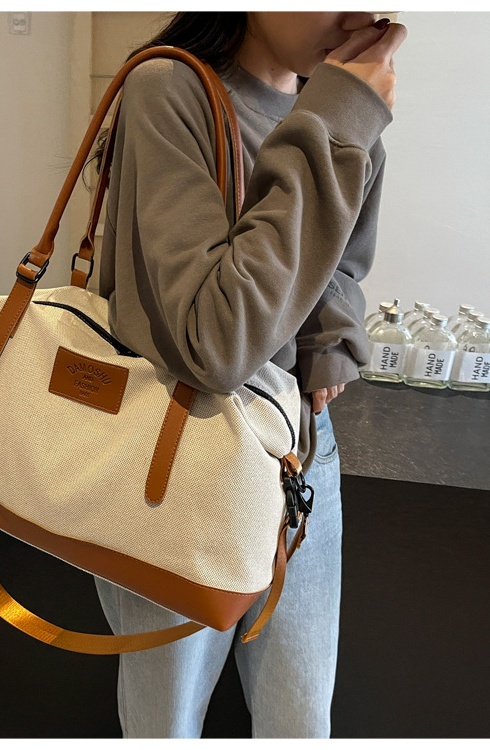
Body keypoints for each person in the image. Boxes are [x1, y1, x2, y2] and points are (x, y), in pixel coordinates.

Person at [88, 11, 407, 739]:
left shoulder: (334, 105)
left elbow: (341, 263)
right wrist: (340, 119)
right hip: (176, 451)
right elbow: (214, 343)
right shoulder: (170, 87)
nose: (359, 19)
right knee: (165, 718)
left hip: (300, 447)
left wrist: (329, 346)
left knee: (301, 714)